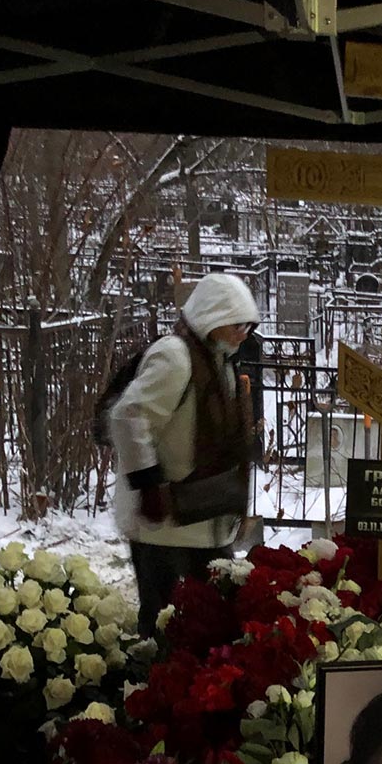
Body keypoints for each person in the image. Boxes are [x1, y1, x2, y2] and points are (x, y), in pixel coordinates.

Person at [110, 271, 261, 636]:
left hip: (203, 520)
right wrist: (149, 486)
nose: (244, 334)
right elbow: (129, 418)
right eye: (237, 324)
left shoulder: (217, 359)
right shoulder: (176, 357)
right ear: (212, 318)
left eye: (248, 326)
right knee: (163, 626)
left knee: (208, 626)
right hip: (166, 528)